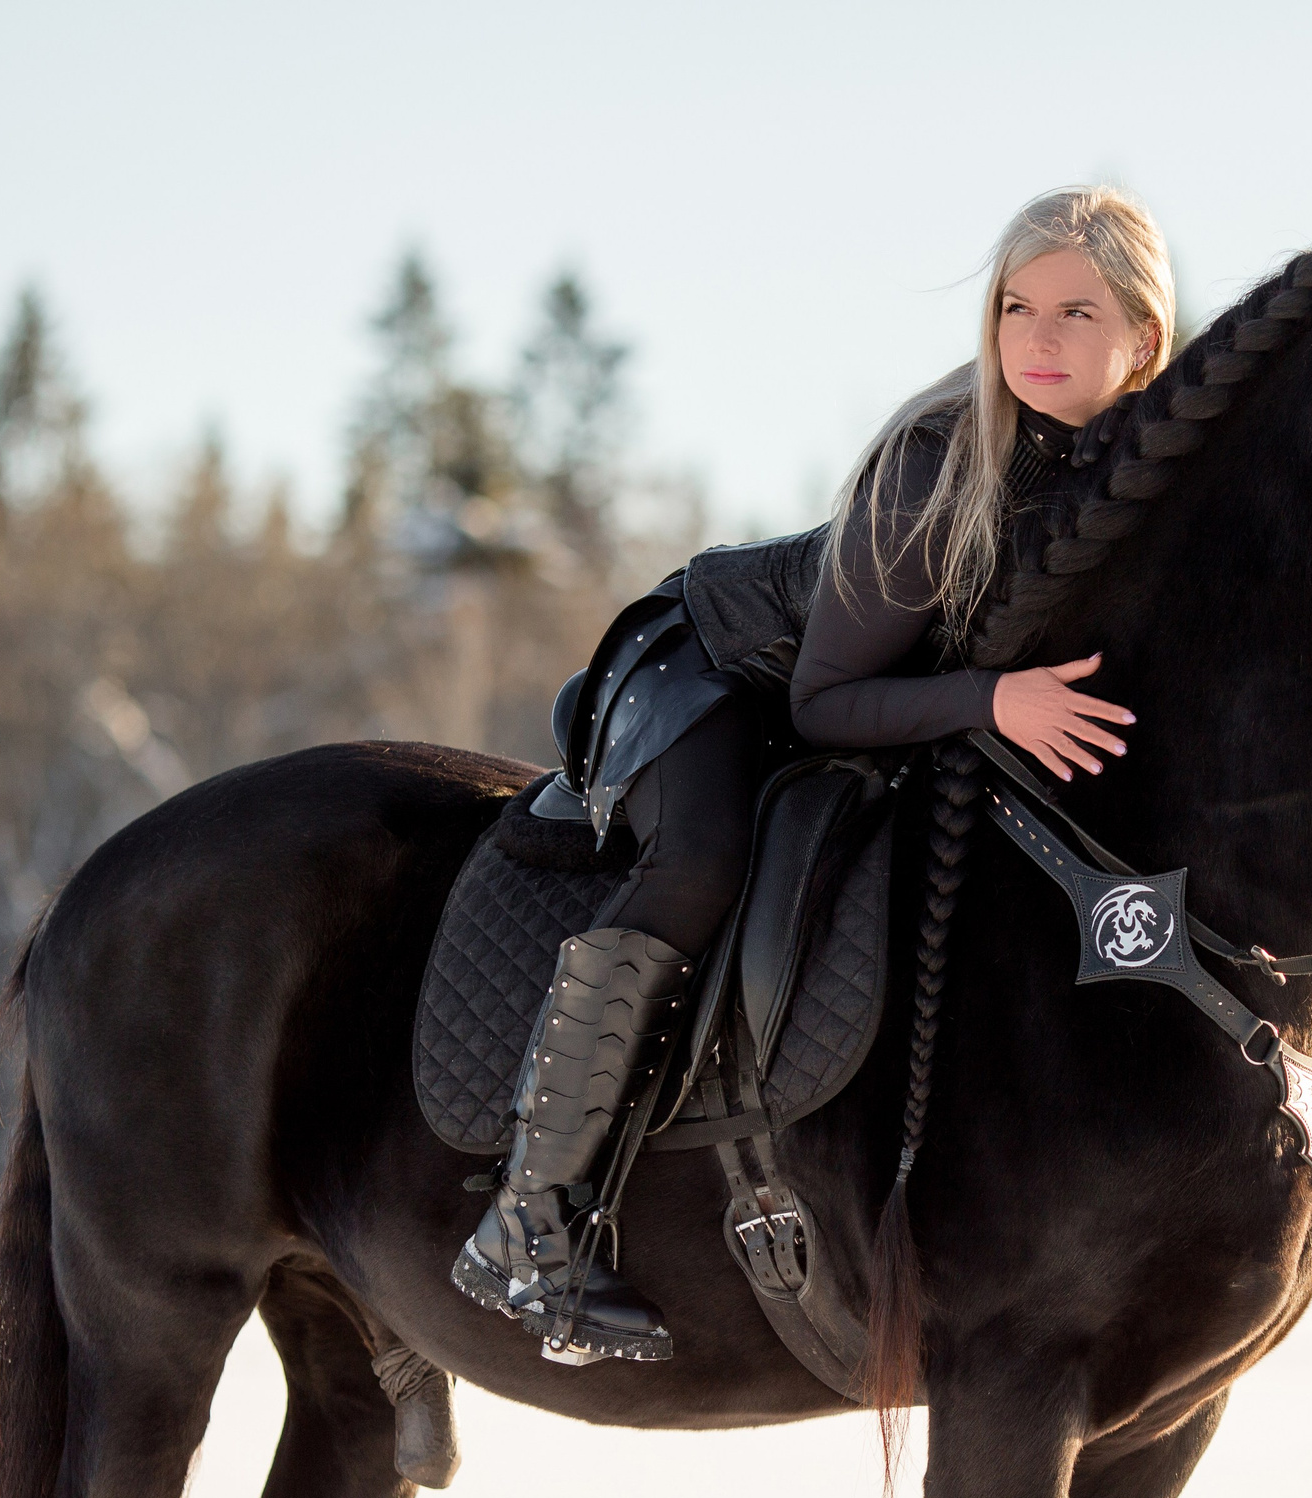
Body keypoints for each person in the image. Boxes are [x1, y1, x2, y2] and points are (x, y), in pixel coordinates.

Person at [451, 187, 1175, 1363]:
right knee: (699, 862)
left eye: (1076, 313)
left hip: (860, 707)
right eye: (1015, 307)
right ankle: (528, 1221)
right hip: (713, 672)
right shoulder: (937, 469)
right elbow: (822, 700)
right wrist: (994, 699)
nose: (1038, 340)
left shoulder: (1136, 469)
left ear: (1142, 338)